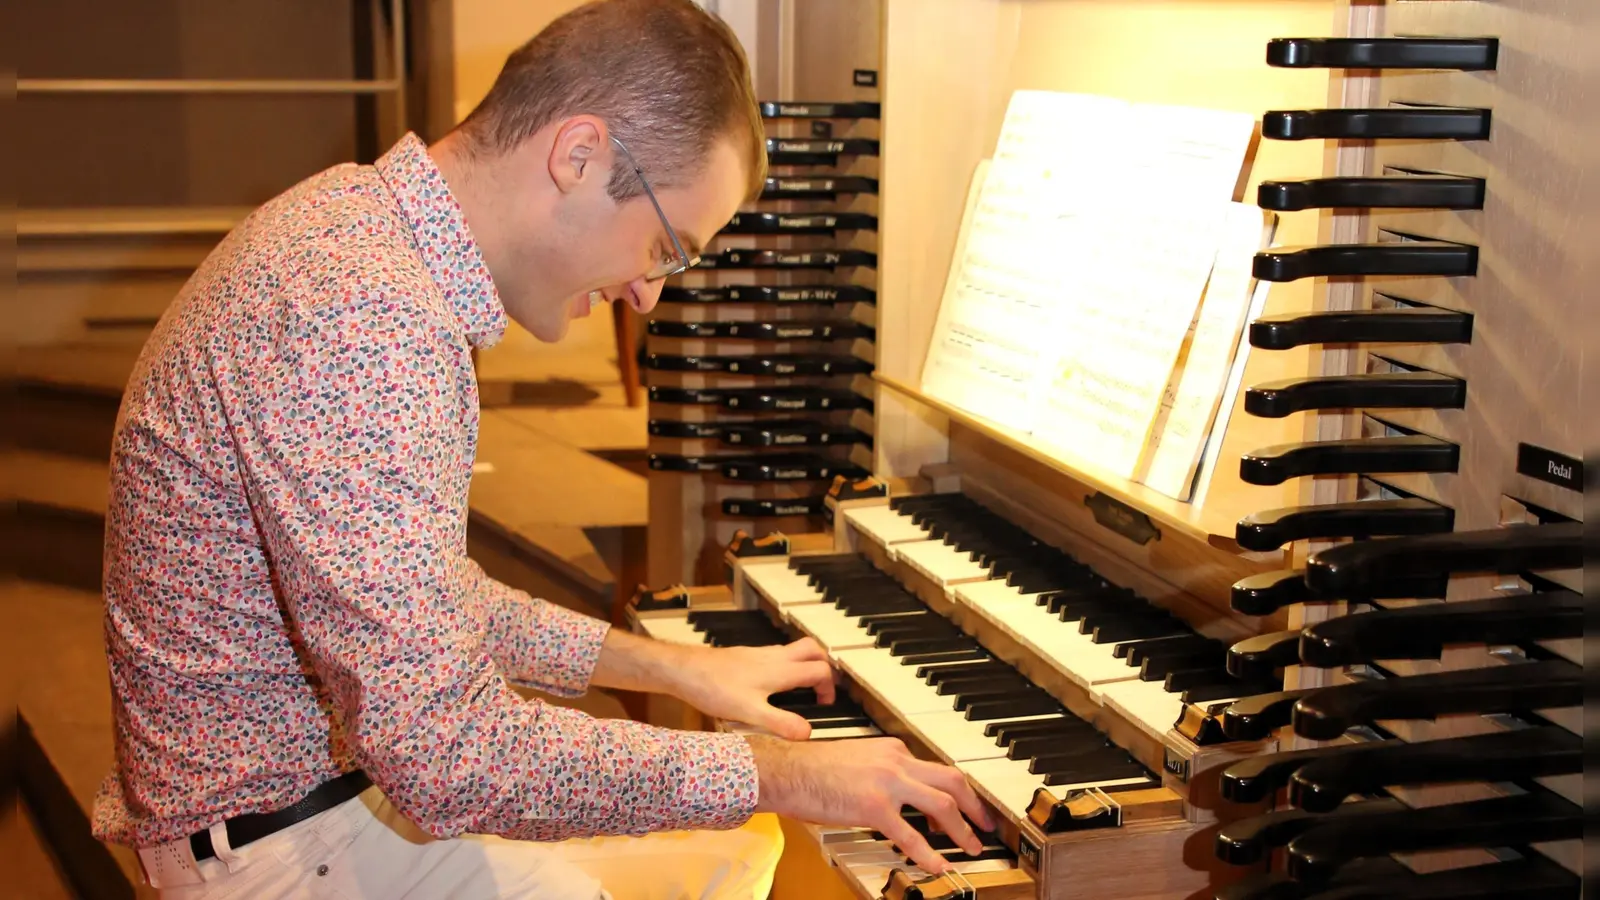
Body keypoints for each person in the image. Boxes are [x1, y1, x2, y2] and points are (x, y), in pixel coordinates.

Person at [92, 1, 994, 897]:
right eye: (664, 245)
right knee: (733, 856)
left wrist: (669, 666)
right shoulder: (365, 318)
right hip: (278, 846)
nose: (647, 295)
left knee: (735, 860)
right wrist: (781, 772)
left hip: (324, 795)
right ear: (578, 155)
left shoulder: (361, 234)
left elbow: (422, 600)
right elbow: (445, 754)